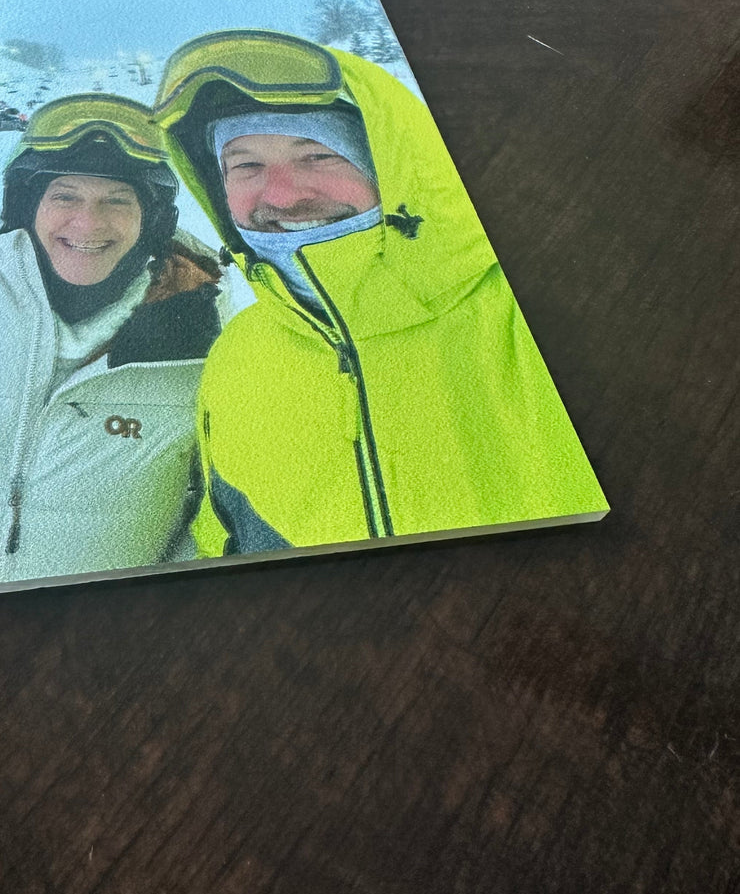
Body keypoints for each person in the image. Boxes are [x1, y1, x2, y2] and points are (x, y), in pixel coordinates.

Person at [152, 29, 606, 557]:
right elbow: (224, 534)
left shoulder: (537, 312)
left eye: (318, 155)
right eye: (246, 165)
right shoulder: (236, 356)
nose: (281, 194)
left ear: (391, 166)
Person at [0, 94, 223, 599]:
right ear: (27, 206)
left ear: (151, 219)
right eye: (65, 196)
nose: (88, 223)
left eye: (117, 199)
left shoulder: (208, 340)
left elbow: (216, 523)